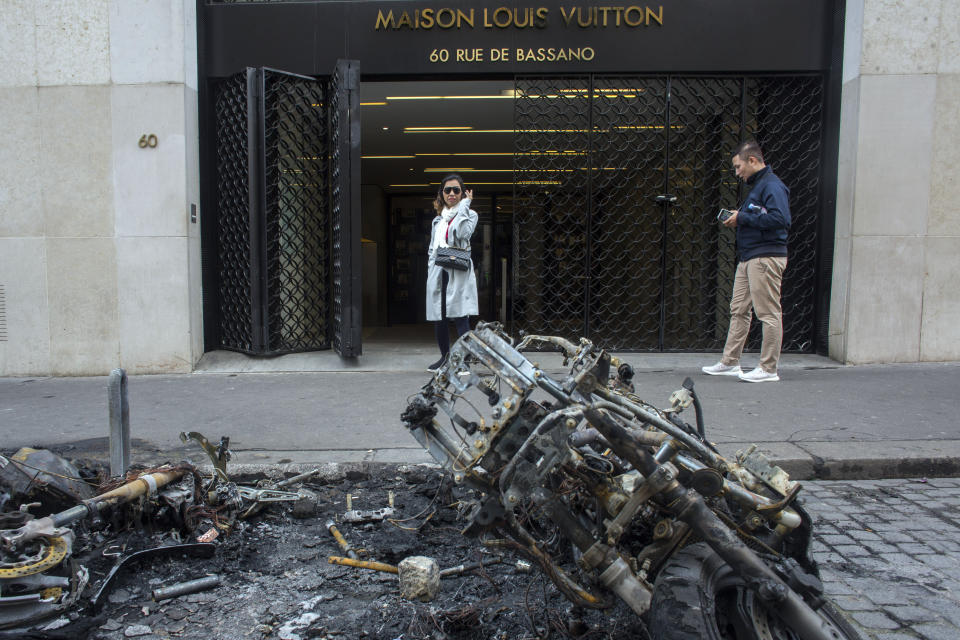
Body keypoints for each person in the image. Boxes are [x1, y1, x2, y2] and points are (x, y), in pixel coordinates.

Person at [702, 140, 790, 383]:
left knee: (768, 313)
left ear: (753, 160)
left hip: (765, 257)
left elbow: (781, 220)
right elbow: (760, 216)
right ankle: (730, 362)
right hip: (750, 257)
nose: (737, 173)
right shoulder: (760, 186)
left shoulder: (772, 186)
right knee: (738, 310)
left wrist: (743, 217)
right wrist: (741, 217)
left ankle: (768, 368)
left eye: (739, 167)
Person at [426, 174, 479, 371]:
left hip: (458, 271)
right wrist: (430, 270)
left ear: (463, 193)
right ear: (442, 193)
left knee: (460, 316)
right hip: (438, 272)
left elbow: (460, 235)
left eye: (456, 190)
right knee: (439, 317)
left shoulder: (470, 214)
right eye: (447, 190)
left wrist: (465, 205)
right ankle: (445, 358)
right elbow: (432, 248)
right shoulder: (437, 220)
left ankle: (464, 362)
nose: (451, 193)